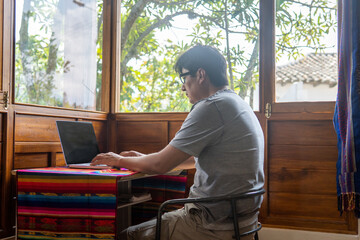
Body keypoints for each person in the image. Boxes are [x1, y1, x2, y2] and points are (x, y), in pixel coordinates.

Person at [91, 45, 264, 240]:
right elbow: (193, 158)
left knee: (125, 235)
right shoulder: (237, 103)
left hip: (209, 224)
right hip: (243, 222)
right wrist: (145, 158)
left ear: (200, 75)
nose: (183, 87)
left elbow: (159, 165)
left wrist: (118, 160)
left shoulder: (211, 107)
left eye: (184, 78)